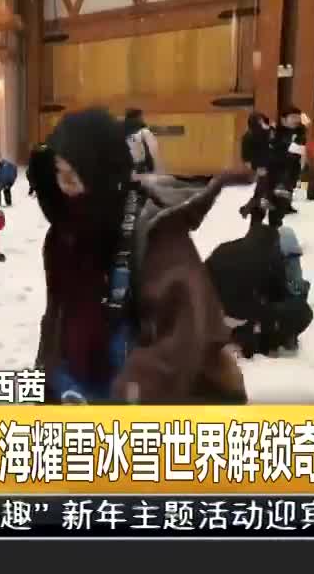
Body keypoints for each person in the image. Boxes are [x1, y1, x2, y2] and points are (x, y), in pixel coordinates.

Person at [29, 108, 247, 404]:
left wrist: (130, 393)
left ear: (101, 173)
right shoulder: (64, 238)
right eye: (57, 175)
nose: (63, 188)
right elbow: (57, 320)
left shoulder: (155, 235)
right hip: (78, 393)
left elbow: (185, 337)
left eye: (72, 177)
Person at [206, 225, 311, 358]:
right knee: (300, 311)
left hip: (209, 310)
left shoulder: (228, 249)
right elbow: (244, 307)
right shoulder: (260, 262)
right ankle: (253, 340)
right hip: (227, 317)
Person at [239, 112, 281, 228]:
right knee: (263, 194)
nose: (263, 123)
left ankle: (247, 209)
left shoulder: (267, 132)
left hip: (272, 167)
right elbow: (246, 158)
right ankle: (252, 216)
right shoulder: (248, 137)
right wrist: (256, 169)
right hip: (262, 168)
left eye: (263, 121)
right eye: (260, 121)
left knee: (262, 193)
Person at [272, 106, 307, 214]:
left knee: (291, 184)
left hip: (294, 163)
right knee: (281, 184)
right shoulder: (277, 132)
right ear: (283, 119)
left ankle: (287, 205)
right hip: (280, 164)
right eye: (293, 117)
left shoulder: (300, 131)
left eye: (298, 117)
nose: (296, 120)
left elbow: (302, 146)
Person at [123, 108, 160, 174]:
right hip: (140, 165)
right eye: (141, 117)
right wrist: (150, 165)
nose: (142, 118)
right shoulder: (143, 131)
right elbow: (150, 149)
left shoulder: (120, 130)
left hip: (126, 165)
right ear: (138, 117)